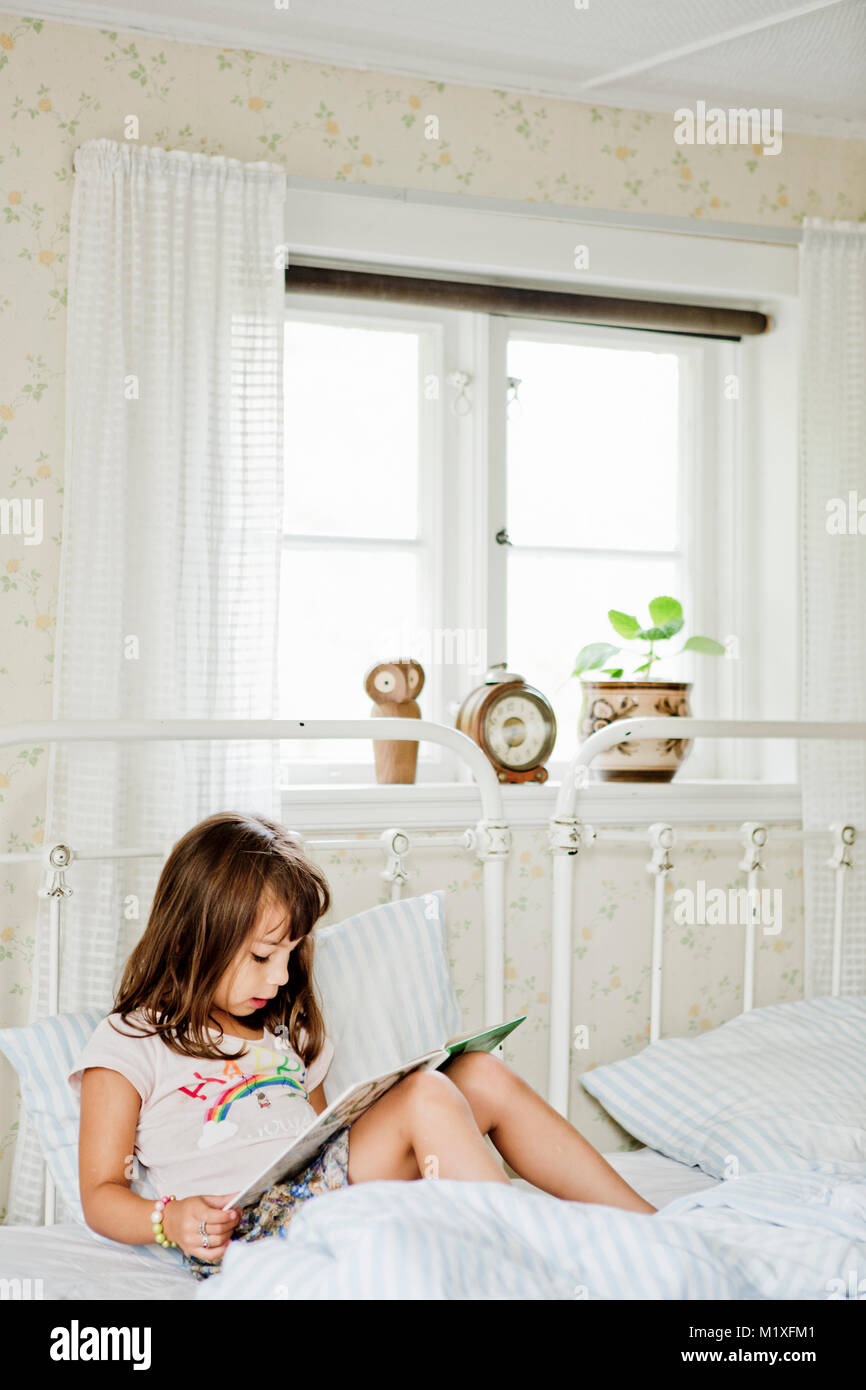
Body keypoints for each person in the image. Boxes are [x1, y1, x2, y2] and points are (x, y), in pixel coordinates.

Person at [70, 812, 655, 1280]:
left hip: (326, 1195)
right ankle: (525, 1270)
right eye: (260, 956)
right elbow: (100, 1194)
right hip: (246, 1229)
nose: (279, 978)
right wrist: (167, 1221)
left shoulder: (283, 1029)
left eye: (291, 953)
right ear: (196, 934)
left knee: (472, 1072)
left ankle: (651, 1229)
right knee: (427, 1097)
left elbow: (320, 1136)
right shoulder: (130, 1041)